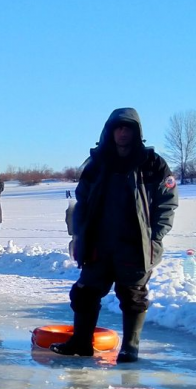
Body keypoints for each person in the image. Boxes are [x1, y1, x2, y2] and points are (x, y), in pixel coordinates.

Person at [51, 108, 178, 363]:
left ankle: (130, 348)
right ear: (110, 131)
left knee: (133, 294)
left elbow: (167, 202)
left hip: (135, 244)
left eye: (127, 128)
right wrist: (78, 235)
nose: (122, 132)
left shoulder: (153, 164)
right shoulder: (97, 163)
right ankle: (81, 342)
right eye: (118, 127)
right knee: (85, 292)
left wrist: (155, 236)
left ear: (136, 132)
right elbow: (82, 201)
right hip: (99, 242)